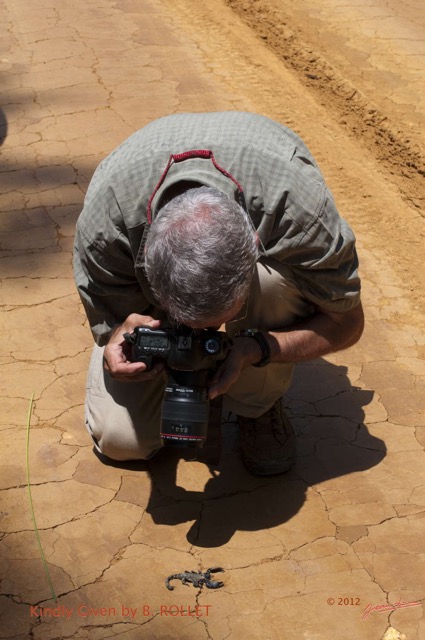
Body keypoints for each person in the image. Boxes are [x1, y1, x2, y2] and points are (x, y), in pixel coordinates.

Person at [73, 111, 364, 476]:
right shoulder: (107, 229)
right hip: (133, 190)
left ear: (255, 245)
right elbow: (113, 317)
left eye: (219, 324)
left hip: (265, 173)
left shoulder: (299, 214)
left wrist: (259, 349)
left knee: (272, 287)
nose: (204, 336)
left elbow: (347, 322)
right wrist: (117, 340)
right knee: (122, 442)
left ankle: (257, 404)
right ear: (146, 266)